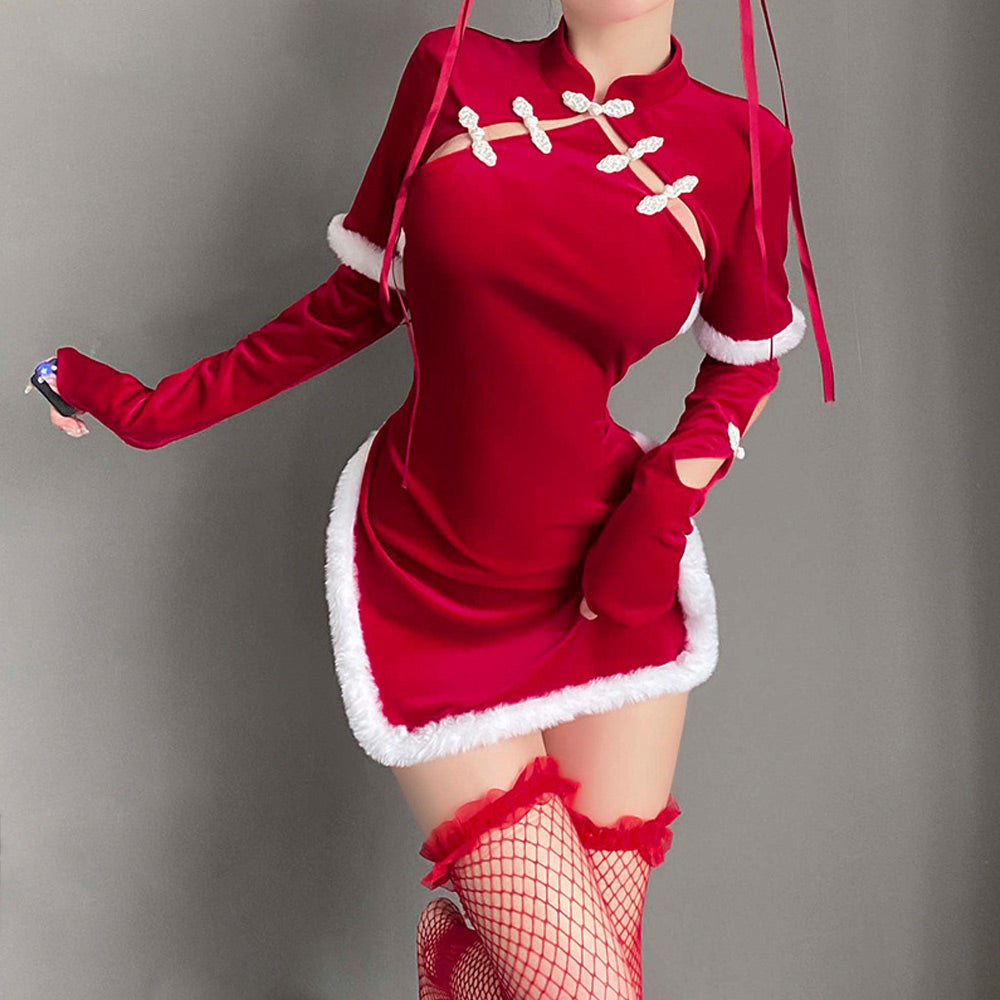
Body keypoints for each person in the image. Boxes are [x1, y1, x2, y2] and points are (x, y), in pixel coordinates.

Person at [34, 1, 835, 996]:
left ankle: (458, 976)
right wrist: (148, 409)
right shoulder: (451, 69)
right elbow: (359, 300)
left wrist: (663, 504)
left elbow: (745, 364)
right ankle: (455, 963)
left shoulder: (744, 144)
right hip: (431, 579)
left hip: (609, 582)